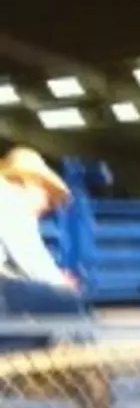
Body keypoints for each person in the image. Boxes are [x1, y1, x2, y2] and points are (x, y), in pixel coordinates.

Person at [0, 147, 82, 350]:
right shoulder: (10, 203)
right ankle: (87, 369)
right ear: (29, 183)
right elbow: (30, 258)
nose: (49, 205)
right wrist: (60, 283)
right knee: (66, 303)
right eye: (48, 196)